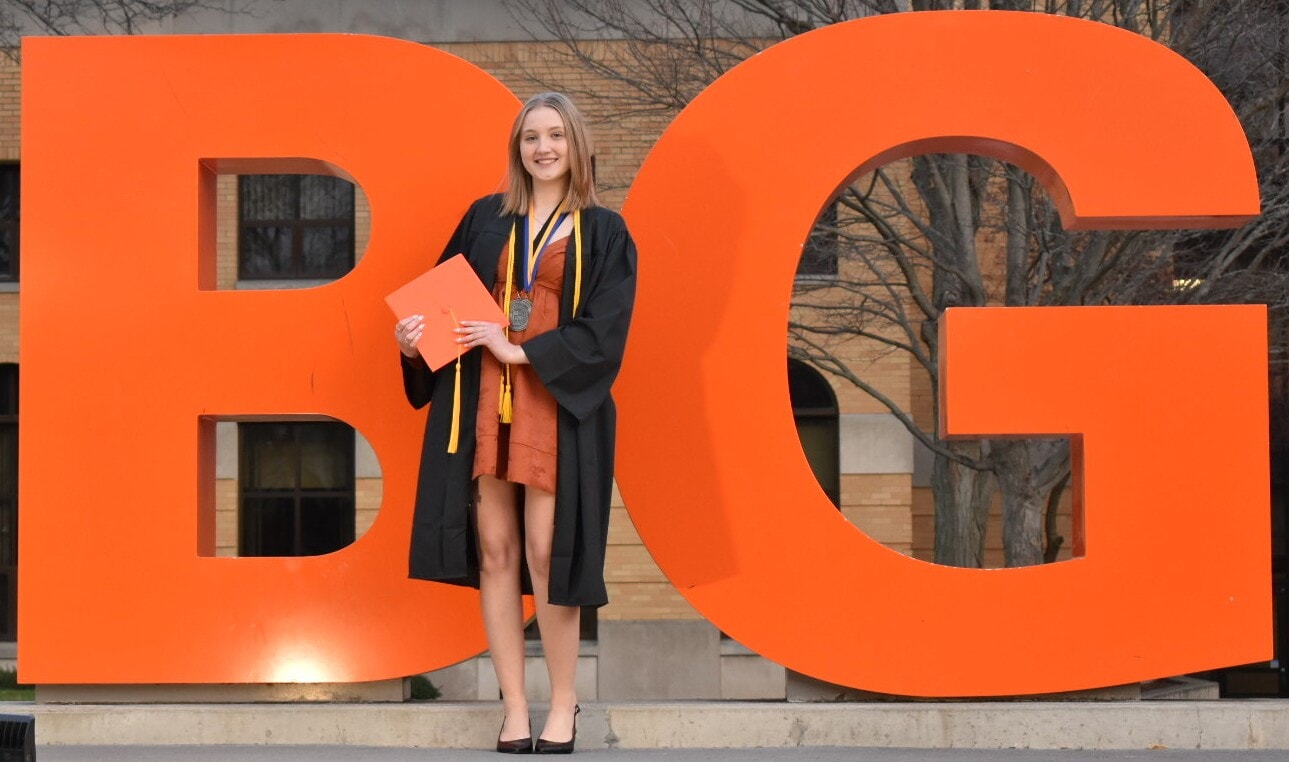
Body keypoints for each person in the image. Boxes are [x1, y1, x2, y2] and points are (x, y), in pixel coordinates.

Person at [394, 92, 636, 755]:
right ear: (517, 148)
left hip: (550, 404)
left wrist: (521, 349)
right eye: (531, 137)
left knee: (543, 554)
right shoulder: (485, 219)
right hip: (480, 403)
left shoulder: (604, 231)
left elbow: (606, 332)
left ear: (576, 145)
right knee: (495, 554)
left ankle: (564, 703)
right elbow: (444, 305)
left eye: (555, 135)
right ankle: (514, 709)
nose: (543, 148)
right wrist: (412, 341)